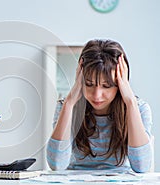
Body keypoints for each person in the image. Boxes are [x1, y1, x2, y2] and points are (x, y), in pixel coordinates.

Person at [47, 39, 153, 173]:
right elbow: (56, 165)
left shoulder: (139, 108)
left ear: (120, 84)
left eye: (106, 86)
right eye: (89, 84)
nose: (97, 95)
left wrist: (130, 102)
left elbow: (142, 166)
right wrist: (69, 103)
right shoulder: (67, 106)